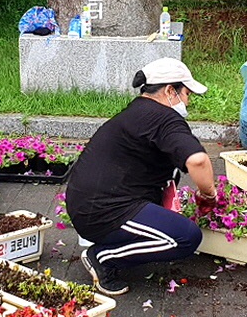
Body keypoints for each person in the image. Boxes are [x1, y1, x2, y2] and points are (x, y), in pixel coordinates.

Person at [66, 58, 219, 296]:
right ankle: (103, 257)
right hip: (104, 212)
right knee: (186, 237)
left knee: (171, 176)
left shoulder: (138, 111)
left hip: (90, 203)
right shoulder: (164, 118)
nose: (187, 102)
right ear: (170, 91)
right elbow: (198, 160)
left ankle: (114, 241)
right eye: (186, 93)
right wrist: (209, 195)